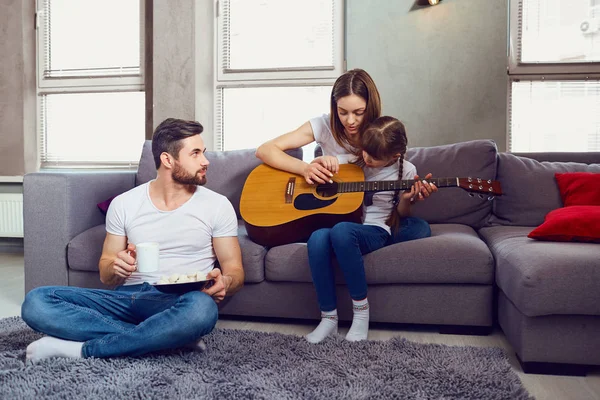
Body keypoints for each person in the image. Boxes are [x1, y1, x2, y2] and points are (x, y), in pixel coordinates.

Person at [21, 118, 245, 362]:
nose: (205, 161)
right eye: (195, 154)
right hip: (125, 298)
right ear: (167, 160)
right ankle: (170, 337)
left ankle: (83, 350)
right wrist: (117, 266)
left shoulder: (217, 205)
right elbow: (106, 275)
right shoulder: (125, 204)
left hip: (178, 301)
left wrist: (225, 281)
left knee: (201, 310)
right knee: (37, 302)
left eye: (203, 152)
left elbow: (235, 270)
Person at [255, 68, 433, 244]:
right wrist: (305, 168)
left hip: (366, 216)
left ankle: (371, 238)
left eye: (358, 112)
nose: (350, 121)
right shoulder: (323, 125)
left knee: (419, 227)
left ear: (370, 107)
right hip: (331, 210)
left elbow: (394, 169)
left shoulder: (378, 133)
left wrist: (408, 197)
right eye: (342, 112)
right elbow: (265, 149)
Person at [305, 116, 437, 343]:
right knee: (317, 238)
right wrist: (322, 163)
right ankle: (328, 318)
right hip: (346, 222)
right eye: (365, 151)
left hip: (376, 229)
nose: (366, 158)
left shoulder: (407, 169)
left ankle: (361, 313)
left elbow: (402, 214)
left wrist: (407, 199)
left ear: (394, 156)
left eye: (374, 157)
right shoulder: (351, 159)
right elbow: (321, 169)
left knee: (341, 232)